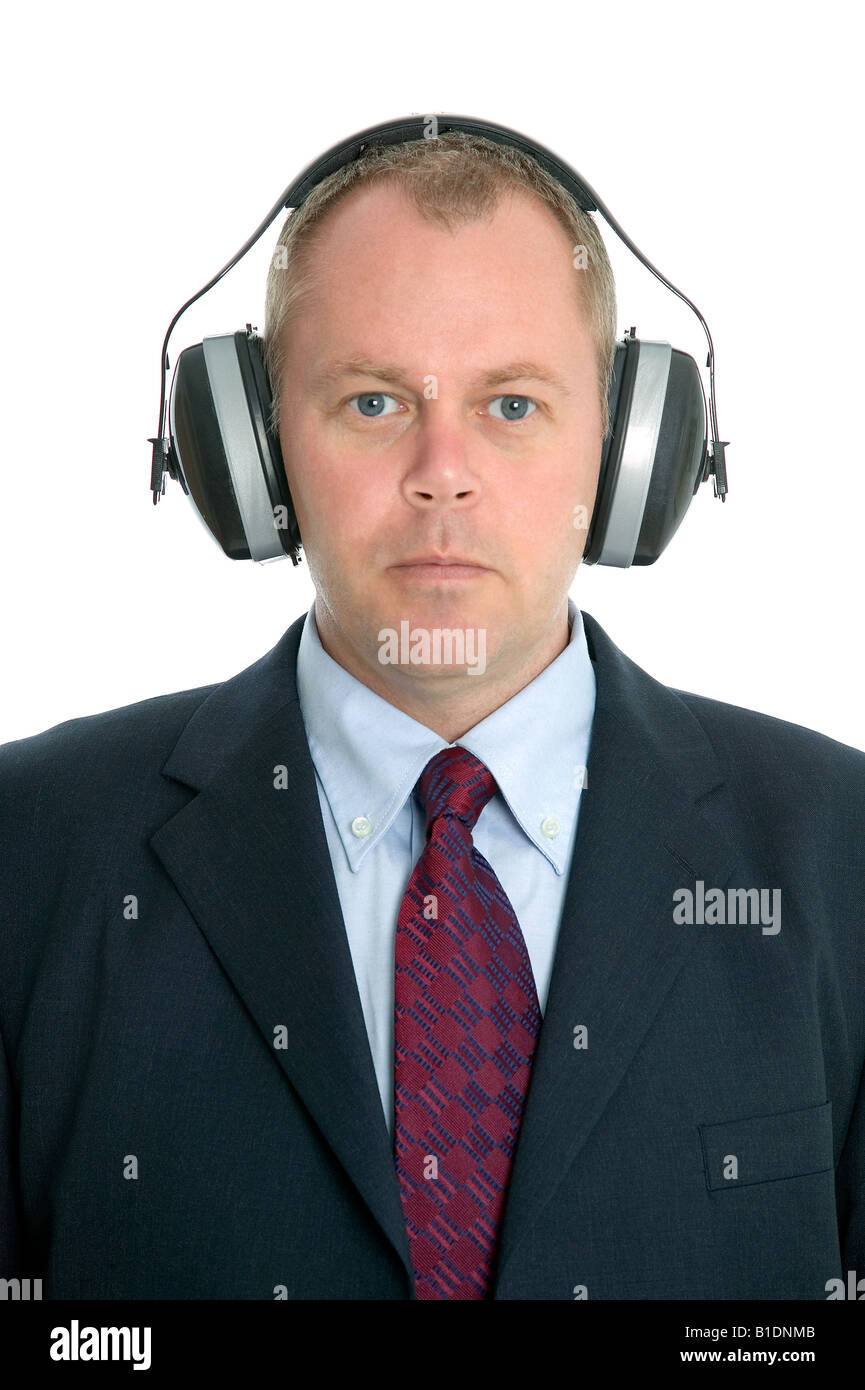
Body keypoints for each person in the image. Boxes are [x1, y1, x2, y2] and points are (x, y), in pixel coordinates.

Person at [1, 126, 863, 1302]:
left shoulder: (840, 849)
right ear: (250, 454)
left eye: (510, 403)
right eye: (369, 400)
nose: (441, 470)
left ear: (627, 454)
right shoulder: (29, 849)